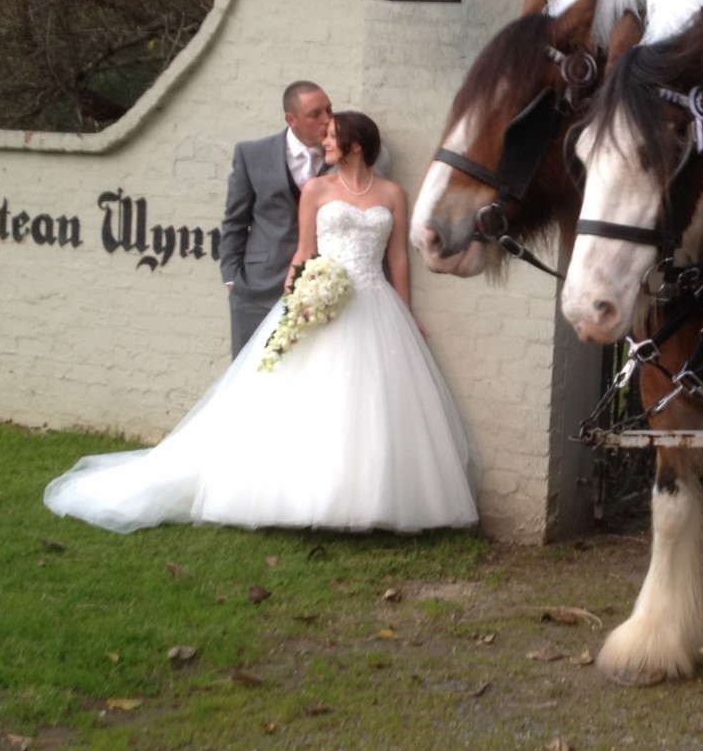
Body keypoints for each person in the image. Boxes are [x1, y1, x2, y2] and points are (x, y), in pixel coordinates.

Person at [45, 111, 481, 534]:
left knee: (374, 406)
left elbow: (399, 258)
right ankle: (300, 500)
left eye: (331, 136)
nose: (323, 142)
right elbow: (304, 249)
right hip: (321, 303)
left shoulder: (391, 194)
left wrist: (406, 313)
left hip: (375, 304)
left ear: (356, 145)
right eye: (323, 134)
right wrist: (296, 297)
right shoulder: (315, 189)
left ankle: (371, 501)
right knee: (307, 402)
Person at [219, 81, 333, 358]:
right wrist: (232, 278)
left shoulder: (343, 156)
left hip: (322, 289)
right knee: (252, 372)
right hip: (257, 286)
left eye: (329, 110)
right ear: (291, 120)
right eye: (315, 114)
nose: (327, 120)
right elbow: (235, 220)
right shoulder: (252, 154)